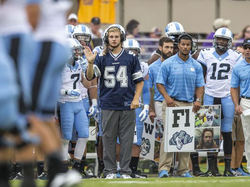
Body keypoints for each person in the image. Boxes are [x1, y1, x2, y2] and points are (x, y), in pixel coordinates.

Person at [84, 24, 144, 179]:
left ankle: (125, 171)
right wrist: (90, 62)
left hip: (127, 104)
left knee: (127, 140)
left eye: (116, 36)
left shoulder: (131, 57)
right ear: (106, 38)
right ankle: (110, 170)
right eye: (111, 36)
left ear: (121, 38)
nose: (114, 39)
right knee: (109, 140)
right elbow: (90, 77)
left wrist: (136, 98)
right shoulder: (101, 57)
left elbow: (139, 81)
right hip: (108, 103)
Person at [156, 33, 205, 178]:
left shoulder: (196, 65)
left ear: (191, 46)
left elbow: (200, 85)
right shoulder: (168, 63)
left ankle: (183, 170)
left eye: (187, 44)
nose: (185, 47)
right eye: (182, 44)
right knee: (168, 135)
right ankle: (164, 169)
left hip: (189, 104)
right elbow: (159, 83)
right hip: (172, 103)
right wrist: (167, 98)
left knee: (186, 137)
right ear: (178, 46)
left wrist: (198, 100)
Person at [197, 27, 242, 177]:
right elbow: (200, 76)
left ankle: (227, 168)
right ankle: (212, 168)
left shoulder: (236, 56)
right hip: (210, 94)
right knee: (210, 132)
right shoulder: (205, 54)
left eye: (224, 39)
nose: (221, 41)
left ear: (229, 42)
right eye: (219, 39)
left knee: (227, 131)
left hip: (227, 96)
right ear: (215, 39)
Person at [58, 38, 91, 176]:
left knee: (83, 136)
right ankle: (64, 168)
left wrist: (89, 66)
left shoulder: (78, 65)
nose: (77, 52)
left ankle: (77, 167)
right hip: (65, 103)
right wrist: (66, 91)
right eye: (75, 50)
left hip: (78, 103)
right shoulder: (59, 67)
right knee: (65, 138)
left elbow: (87, 85)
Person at [122, 38, 150, 178]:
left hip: (137, 105)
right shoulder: (116, 64)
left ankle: (132, 169)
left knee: (137, 140)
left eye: (134, 51)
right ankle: (118, 169)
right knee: (118, 139)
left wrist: (146, 106)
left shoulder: (143, 66)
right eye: (129, 51)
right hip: (119, 105)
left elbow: (145, 90)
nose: (132, 54)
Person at [231, 38, 250, 175]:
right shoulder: (238, 67)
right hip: (246, 102)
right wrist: (236, 104)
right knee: (248, 136)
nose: (248, 50)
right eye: (246, 47)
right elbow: (233, 88)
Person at [149, 37, 174, 122]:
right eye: (167, 47)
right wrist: (151, 109)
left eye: (171, 47)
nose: (169, 50)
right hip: (159, 103)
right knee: (161, 132)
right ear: (160, 48)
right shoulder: (152, 67)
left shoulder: (177, 65)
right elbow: (148, 89)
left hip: (175, 102)